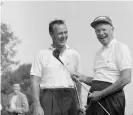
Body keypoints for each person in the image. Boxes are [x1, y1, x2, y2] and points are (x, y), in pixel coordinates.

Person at [74, 16, 132, 115]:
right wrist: (83, 78)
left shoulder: (121, 48)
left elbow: (126, 78)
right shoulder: (98, 53)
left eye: (104, 29)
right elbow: (101, 80)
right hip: (95, 98)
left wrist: (100, 94)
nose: (101, 33)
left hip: (112, 100)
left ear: (112, 29)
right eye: (97, 31)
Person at [30, 19, 85, 115]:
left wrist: (81, 103)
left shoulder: (75, 55)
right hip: (48, 97)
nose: (64, 36)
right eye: (60, 33)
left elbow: (79, 82)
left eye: (65, 32)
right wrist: (37, 105)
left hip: (70, 97)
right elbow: (34, 81)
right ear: (51, 34)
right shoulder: (41, 54)